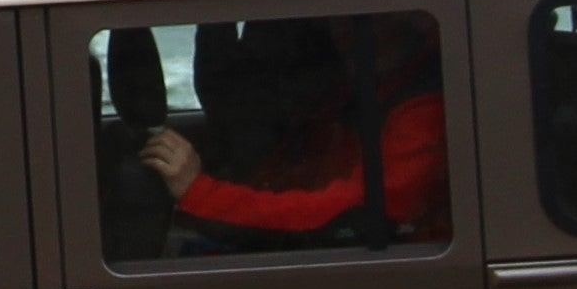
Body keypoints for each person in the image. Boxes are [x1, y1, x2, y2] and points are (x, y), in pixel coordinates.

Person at [137, 17, 448, 244]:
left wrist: (200, 192)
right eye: (336, 21)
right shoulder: (354, 94)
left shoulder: (423, 112)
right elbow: (293, 181)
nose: (339, 31)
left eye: (356, 20)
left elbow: (347, 214)